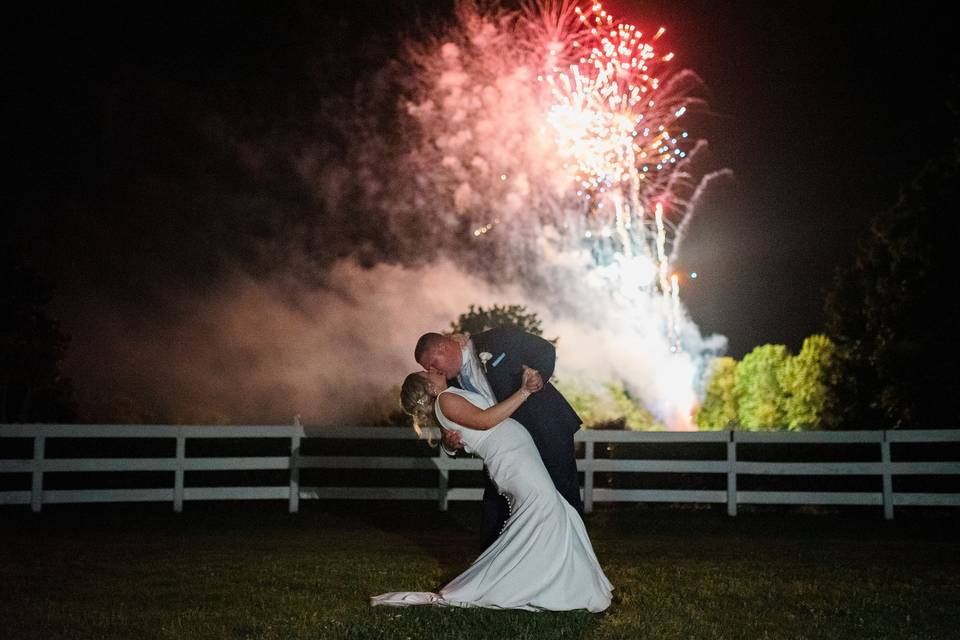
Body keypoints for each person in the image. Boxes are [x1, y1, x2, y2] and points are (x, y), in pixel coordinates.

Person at [371, 368, 612, 611]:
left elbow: (458, 433)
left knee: (554, 511)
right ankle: (537, 586)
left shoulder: (446, 400)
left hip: (515, 457)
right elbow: (485, 421)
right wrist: (525, 391)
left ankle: (562, 584)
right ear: (431, 388)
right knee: (546, 510)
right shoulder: (445, 400)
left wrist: (449, 442)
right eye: (428, 373)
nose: (433, 370)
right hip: (510, 460)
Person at [415, 328, 583, 547]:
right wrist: (449, 443)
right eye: (427, 369)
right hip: (505, 449)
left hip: (546, 429)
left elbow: (544, 349)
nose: (432, 370)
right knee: (496, 503)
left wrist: (539, 375)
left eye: (431, 363)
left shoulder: (497, 338)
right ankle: (494, 562)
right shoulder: (449, 387)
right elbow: (455, 425)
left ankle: (575, 552)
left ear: (442, 346)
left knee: (563, 492)